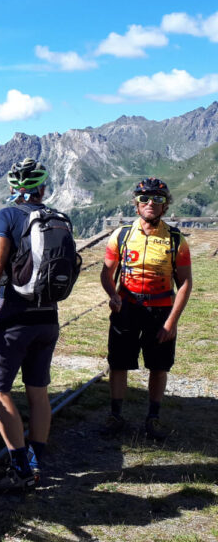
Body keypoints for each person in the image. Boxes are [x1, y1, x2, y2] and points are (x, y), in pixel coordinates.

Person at [0, 158, 60, 492]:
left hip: (14, 315)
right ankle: (36, 462)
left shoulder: (8, 215)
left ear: (12, 189)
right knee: (38, 391)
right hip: (48, 317)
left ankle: (20, 470)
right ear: (43, 189)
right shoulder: (57, 218)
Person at [100, 177, 193, 440]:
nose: (150, 203)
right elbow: (107, 273)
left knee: (158, 365)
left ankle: (153, 417)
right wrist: (111, 294)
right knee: (118, 363)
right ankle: (115, 415)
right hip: (126, 308)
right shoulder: (121, 235)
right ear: (136, 204)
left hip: (161, 311)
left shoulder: (176, 239)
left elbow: (185, 283)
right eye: (144, 199)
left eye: (158, 199)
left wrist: (171, 322)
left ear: (165, 205)